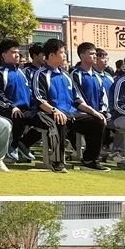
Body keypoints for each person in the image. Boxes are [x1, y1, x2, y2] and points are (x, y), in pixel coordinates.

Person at [31, 38, 108, 173]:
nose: (65, 55)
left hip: (71, 113)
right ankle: (57, 162)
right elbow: (39, 99)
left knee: (97, 121)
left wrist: (93, 112)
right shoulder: (41, 74)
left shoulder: (66, 75)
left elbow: (77, 99)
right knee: (58, 121)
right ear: (51, 55)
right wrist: (54, 111)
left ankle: (89, 160)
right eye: (61, 52)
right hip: (45, 113)